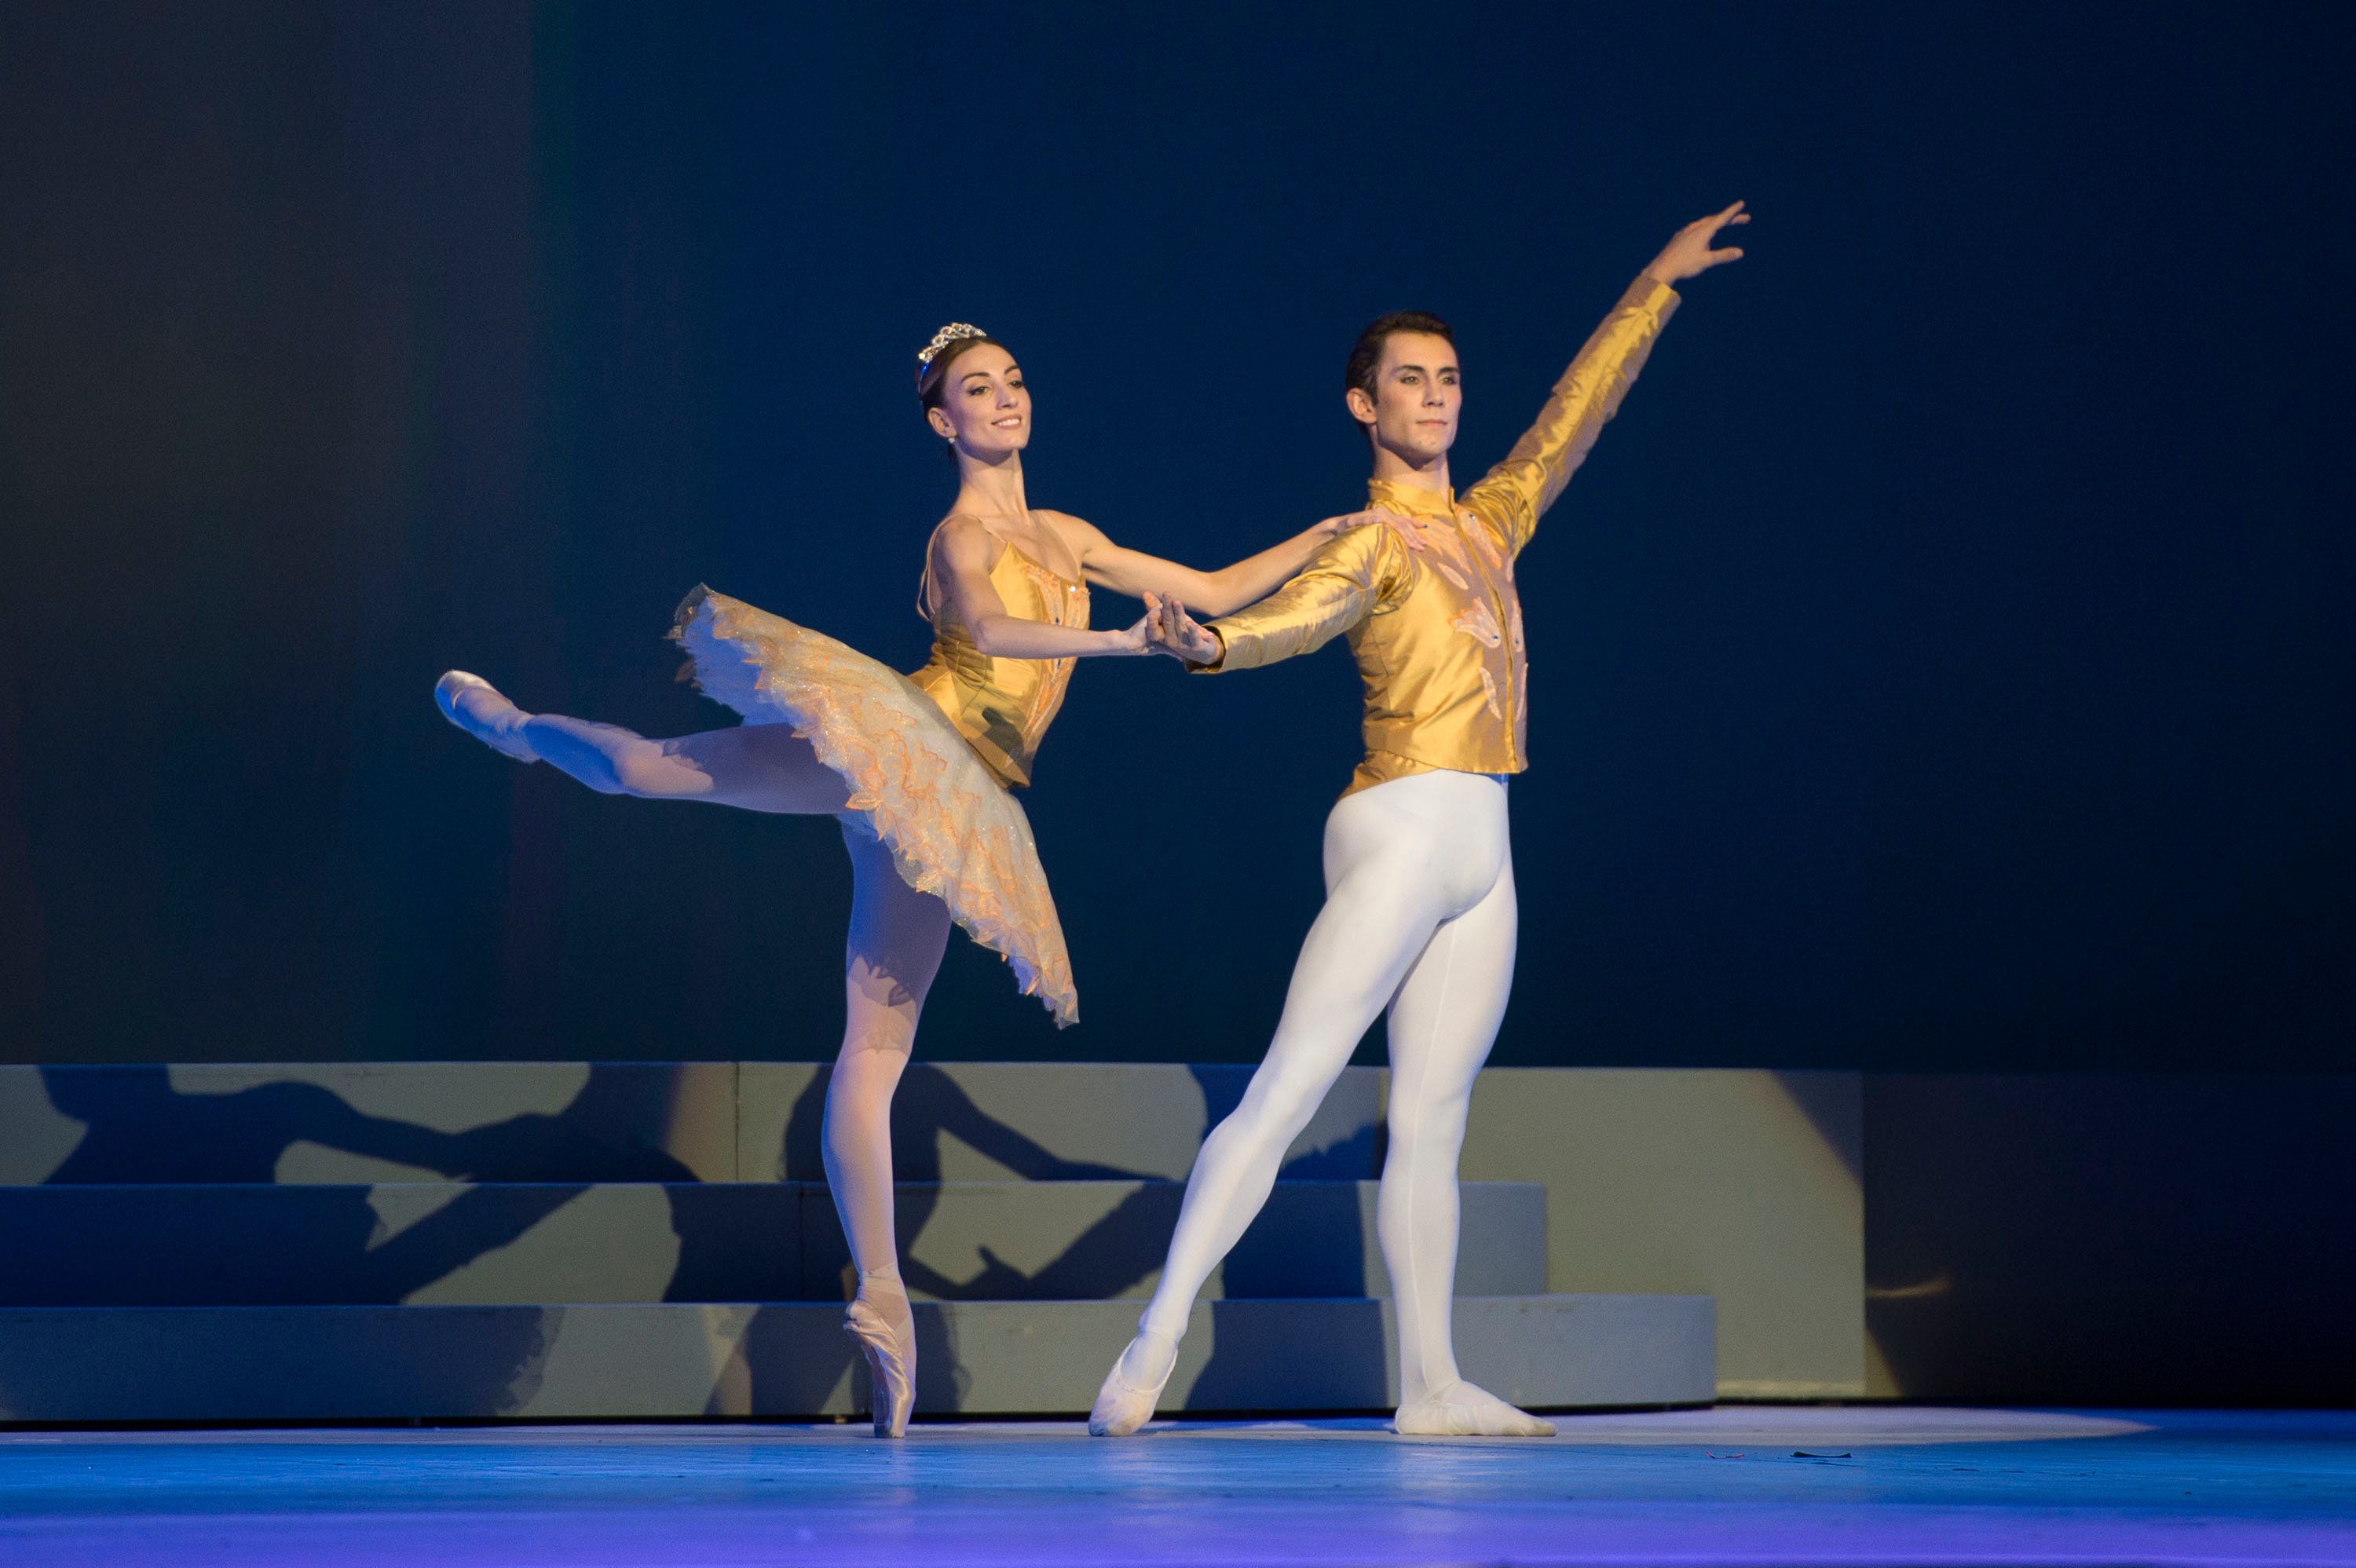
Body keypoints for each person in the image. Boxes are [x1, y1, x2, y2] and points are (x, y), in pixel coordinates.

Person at [434, 322, 1386, 1438]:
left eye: (1015, 381)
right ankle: (517, 729)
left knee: (876, 1051)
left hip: (962, 802)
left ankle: (883, 1291)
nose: (1006, 399)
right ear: (946, 422)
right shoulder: (958, 534)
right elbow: (988, 628)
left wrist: (1327, 534)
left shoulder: (1068, 534)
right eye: (980, 390)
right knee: (655, 769)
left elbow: (1216, 585)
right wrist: (1133, 647)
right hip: (904, 740)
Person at [1096, 205, 1751, 1438]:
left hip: (1484, 843)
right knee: (1291, 1085)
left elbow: (1575, 417)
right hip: (1399, 822)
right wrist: (1215, 643)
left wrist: (1655, 285)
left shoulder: (1491, 520)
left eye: (1449, 379)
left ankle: (1432, 1382)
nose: (1438, 396)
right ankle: (1158, 1332)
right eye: (1412, 380)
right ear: (1365, 406)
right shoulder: (1371, 541)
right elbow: (1290, 620)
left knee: (1434, 1120)